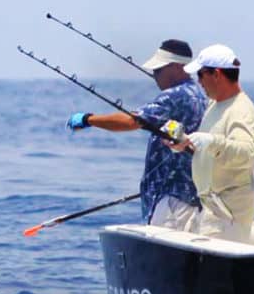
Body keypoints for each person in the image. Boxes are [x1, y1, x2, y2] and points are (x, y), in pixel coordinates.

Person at [66, 39, 207, 230]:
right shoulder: (199, 94)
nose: (154, 74)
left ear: (176, 67)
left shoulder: (174, 96)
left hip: (171, 200)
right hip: (191, 194)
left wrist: (88, 119)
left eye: (158, 69)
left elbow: (132, 121)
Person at [169, 44, 254, 242]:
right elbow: (212, 150)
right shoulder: (215, 105)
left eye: (201, 75)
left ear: (216, 74)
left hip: (228, 213)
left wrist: (211, 141)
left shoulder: (241, 109)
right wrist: (185, 143)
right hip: (210, 207)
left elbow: (248, 154)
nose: (199, 81)